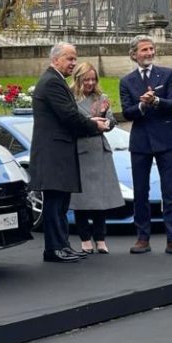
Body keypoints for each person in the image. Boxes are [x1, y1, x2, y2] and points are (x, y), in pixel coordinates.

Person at [29, 43, 108, 263]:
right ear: (55, 60)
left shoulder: (55, 80)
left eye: (75, 59)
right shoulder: (52, 82)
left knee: (61, 203)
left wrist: (90, 121)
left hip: (58, 152)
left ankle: (62, 245)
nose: (73, 63)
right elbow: (69, 116)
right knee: (55, 204)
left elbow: (69, 115)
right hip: (53, 154)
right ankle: (54, 249)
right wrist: (94, 125)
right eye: (69, 59)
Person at [118, 35, 172, 256]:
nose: (148, 53)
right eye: (144, 50)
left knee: (170, 191)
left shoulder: (167, 75)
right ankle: (142, 238)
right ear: (134, 54)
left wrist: (155, 101)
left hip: (167, 140)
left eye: (151, 49)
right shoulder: (126, 81)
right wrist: (142, 104)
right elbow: (127, 111)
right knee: (141, 191)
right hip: (140, 141)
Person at [68, 62, 122, 255]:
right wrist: (91, 123)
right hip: (81, 149)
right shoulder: (70, 98)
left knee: (101, 198)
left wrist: (107, 121)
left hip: (100, 150)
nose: (90, 83)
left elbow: (112, 122)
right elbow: (70, 123)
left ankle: (100, 238)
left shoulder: (102, 98)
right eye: (86, 79)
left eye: (93, 79)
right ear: (78, 79)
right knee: (82, 199)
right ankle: (84, 239)